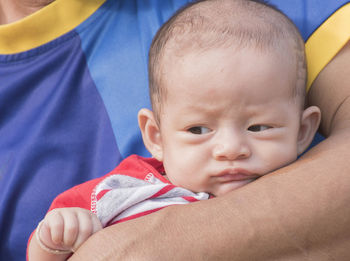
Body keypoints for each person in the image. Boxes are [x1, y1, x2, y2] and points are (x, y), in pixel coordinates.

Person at [1, 0, 349, 260]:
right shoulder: (123, 189)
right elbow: (51, 242)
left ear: (304, 131)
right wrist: (55, 239)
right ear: (155, 137)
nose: (230, 148)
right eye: (198, 129)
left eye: (258, 127)